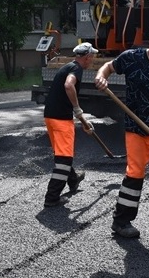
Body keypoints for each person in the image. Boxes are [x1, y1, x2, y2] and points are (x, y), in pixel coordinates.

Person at [94, 26, 149, 239]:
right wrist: (101, 76)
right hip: (136, 129)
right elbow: (108, 67)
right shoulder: (131, 59)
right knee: (135, 173)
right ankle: (121, 222)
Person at [42, 42, 98, 207]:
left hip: (50, 116)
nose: (92, 60)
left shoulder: (68, 66)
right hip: (61, 119)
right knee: (64, 158)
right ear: (87, 57)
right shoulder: (76, 69)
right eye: (92, 57)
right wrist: (78, 110)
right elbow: (68, 85)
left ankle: (73, 180)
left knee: (61, 153)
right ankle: (52, 197)